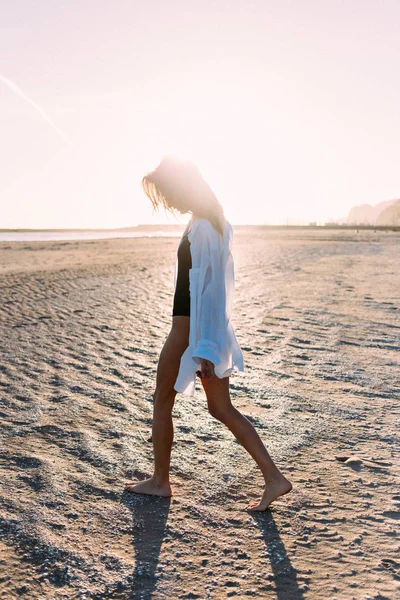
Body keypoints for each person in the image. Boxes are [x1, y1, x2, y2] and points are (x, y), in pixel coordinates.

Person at [124, 155, 292, 511]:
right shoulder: (211, 222)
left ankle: (160, 482)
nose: (167, 201)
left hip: (188, 331)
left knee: (162, 400)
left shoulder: (203, 228)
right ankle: (274, 478)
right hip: (197, 332)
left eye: (168, 193)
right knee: (221, 408)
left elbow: (211, 293)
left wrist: (203, 349)